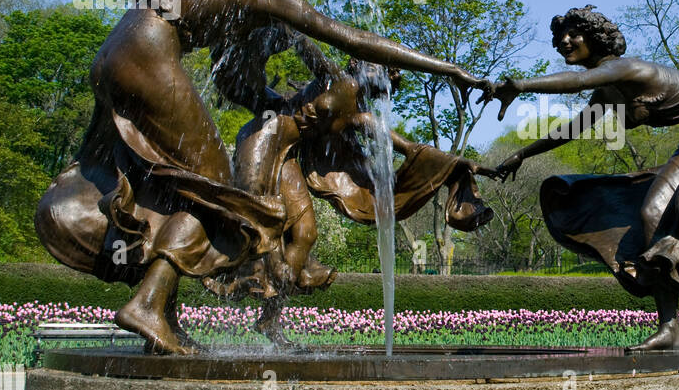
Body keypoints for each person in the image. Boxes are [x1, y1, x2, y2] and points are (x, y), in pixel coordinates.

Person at [35, 0, 490, 354]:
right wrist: (450, 70)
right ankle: (147, 306)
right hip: (148, 53)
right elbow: (349, 39)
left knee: (176, 182)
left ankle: (161, 311)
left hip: (117, 49)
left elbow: (232, 74)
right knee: (219, 196)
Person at [487, 5, 679, 350]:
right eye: (560, 37)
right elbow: (574, 128)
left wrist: (520, 85)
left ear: (595, 38)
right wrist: (524, 153)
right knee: (650, 216)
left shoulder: (625, 68)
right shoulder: (607, 90)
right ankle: (670, 329)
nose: (564, 41)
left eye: (574, 34)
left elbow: (576, 81)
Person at [207, 52, 498, 344]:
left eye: (383, 65)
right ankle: (233, 271)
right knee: (260, 226)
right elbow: (305, 46)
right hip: (262, 140)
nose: (376, 66)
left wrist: (462, 165)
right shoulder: (333, 77)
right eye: (370, 60)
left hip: (287, 156)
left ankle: (269, 318)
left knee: (306, 234)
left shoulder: (360, 115)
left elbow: (410, 148)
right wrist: (288, 27)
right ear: (354, 63)